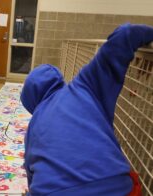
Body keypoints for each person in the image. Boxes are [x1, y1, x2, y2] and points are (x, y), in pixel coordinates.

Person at [21, 24, 153, 195]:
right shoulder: (85, 86)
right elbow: (126, 33)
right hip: (115, 187)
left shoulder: (33, 126)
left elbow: (32, 178)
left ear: (31, 102)